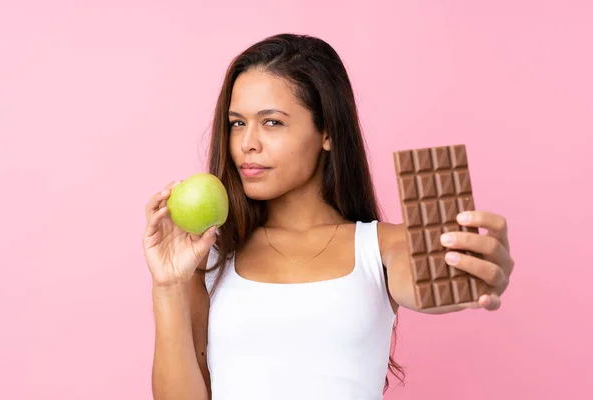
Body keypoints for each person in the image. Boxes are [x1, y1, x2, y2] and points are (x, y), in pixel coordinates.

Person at [143, 33, 514, 400]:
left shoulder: (383, 247)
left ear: (328, 132)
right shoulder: (210, 258)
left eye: (272, 122)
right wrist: (168, 286)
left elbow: (433, 283)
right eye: (237, 122)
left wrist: (471, 269)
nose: (246, 144)